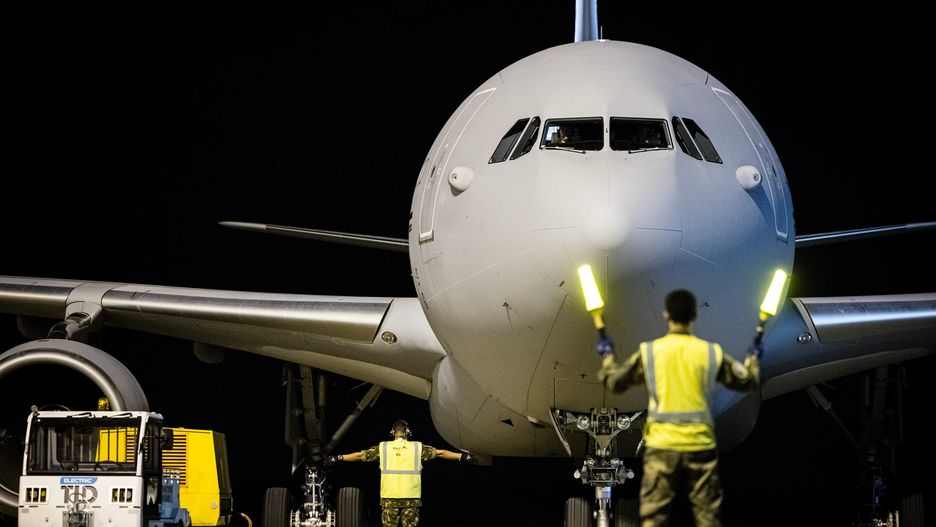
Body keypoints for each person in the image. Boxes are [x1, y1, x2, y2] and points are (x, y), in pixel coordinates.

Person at [596, 289, 759, 527]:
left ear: (666, 315)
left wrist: (608, 358)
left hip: (663, 445)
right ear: (694, 316)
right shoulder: (710, 352)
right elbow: (746, 382)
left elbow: (614, 383)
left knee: (654, 515)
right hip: (698, 443)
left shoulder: (650, 352)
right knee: (707, 515)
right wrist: (752, 361)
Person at [326, 419, 474, 527]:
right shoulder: (417, 448)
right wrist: (462, 456)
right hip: (411, 498)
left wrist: (338, 458)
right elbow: (440, 453)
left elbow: (360, 455)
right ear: (408, 432)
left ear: (392, 432)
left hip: (389, 498)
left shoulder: (383, 448)